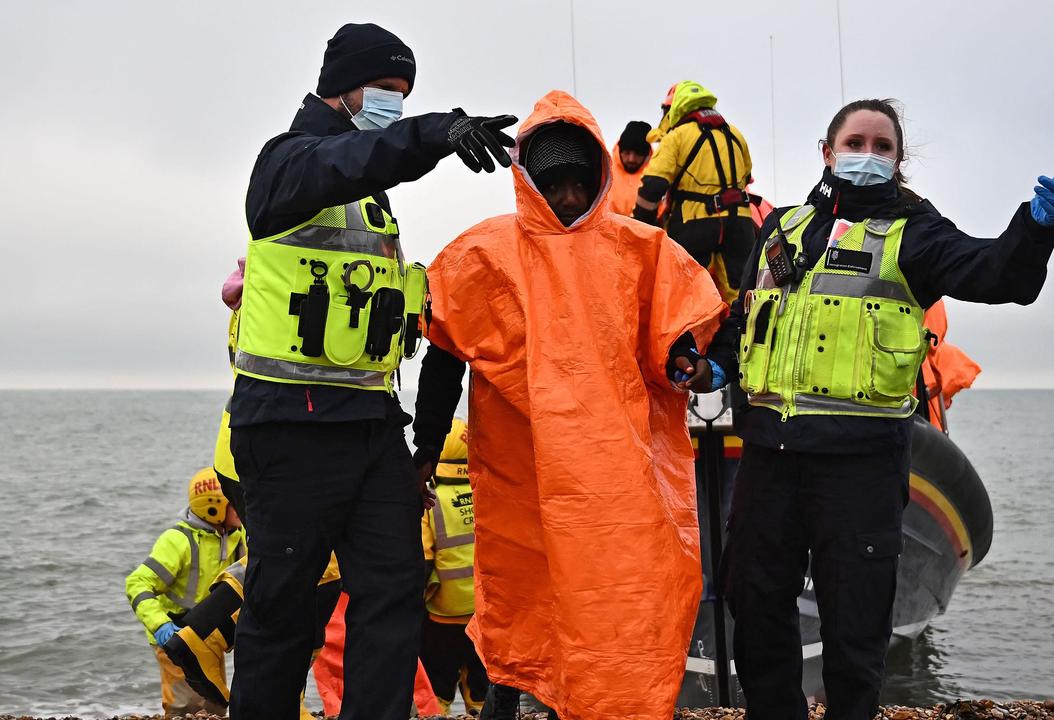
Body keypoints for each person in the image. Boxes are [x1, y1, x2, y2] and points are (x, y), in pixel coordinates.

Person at [701, 98, 1054, 720]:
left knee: (856, 624)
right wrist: (714, 360)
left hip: (861, 465)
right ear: (827, 152)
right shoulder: (784, 229)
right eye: (856, 143)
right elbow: (746, 311)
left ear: (899, 160)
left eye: (882, 147)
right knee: (757, 604)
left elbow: (996, 274)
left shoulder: (917, 233)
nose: (867, 155)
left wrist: (1034, 228)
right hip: (771, 456)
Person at [227, 22, 516, 720]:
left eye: (405, 95)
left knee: (393, 593)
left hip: (369, 427)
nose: (393, 103)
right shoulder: (286, 166)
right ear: (341, 87)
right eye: (386, 91)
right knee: (282, 613)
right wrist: (434, 132)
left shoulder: (369, 194)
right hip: (289, 429)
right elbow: (353, 160)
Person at [412, 90, 726, 720]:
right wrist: (424, 451)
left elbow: (670, 337)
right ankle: (505, 703)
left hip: (617, 481)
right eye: (555, 186)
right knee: (521, 603)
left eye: (582, 184)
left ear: (599, 177)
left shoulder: (639, 249)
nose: (571, 200)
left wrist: (685, 361)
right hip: (522, 476)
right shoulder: (484, 254)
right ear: (528, 181)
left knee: (616, 602)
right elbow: (445, 358)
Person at [125, 468, 246, 718]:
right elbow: (137, 583)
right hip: (176, 634)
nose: (243, 508)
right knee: (184, 707)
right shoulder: (177, 540)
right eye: (236, 503)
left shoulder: (238, 536)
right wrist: (161, 626)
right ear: (214, 508)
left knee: (215, 703)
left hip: (209, 634)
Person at [634, 80, 756, 299]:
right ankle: (740, 332)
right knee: (743, 295)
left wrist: (643, 227)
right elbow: (746, 177)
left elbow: (653, 186)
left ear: (676, 108)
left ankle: (696, 333)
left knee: (686, 294)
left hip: (693, 225)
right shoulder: (736, 135)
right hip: (740, 224)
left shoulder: (677, 136)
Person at [420, 417, 488, 715]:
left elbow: (422, 560)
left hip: (443, 614)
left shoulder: (430, 501)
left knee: (439, 684)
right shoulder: (488, 493)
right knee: (480, 682)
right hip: (485, 611)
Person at [606, 120, 652, 216]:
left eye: (638, 154)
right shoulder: (604, 173)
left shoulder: (657, 176)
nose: (631, 159)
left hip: (646, 230)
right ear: (619, 151)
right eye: (627, 153)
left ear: (646, 155)